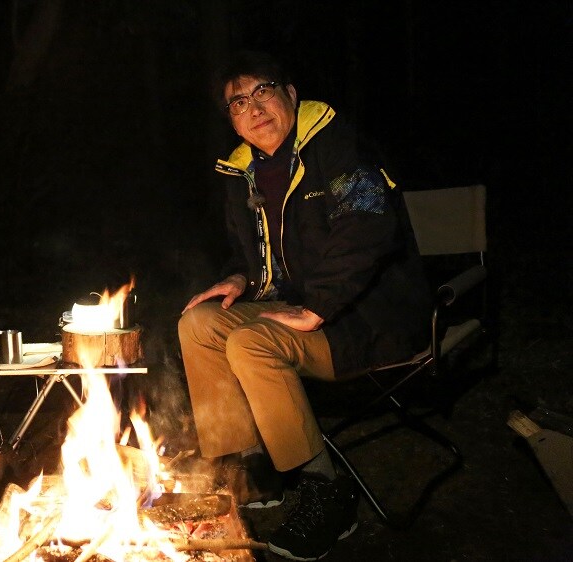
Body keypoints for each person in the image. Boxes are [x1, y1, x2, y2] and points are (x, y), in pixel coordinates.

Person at [178, 50, 431, 560]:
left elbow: (369, 224)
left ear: (291, 95)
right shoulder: (241, 171)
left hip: (368, 317)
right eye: (237, 102)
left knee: (251, 342)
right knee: (199, 322)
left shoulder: (341, 147)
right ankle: (256, 469)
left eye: (263, 91)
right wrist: (237, 276)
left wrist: (317, 306)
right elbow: (246, 251)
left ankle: (327, 495)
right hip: (301, 308)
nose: (253, 108)